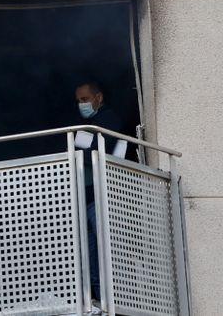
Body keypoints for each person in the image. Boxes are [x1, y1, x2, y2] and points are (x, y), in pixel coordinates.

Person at [74, 81, 126, 306]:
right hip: (86, 198)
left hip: (100, 196)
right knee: (91, 250)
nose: (81, 105)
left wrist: (81, 150)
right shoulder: (90, 124)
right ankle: (98, 297)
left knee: (105, 246)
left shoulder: (108, 120)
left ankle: (113, 298)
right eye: (78, 101)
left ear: (99, 98)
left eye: (85, 99)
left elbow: (98, 153)